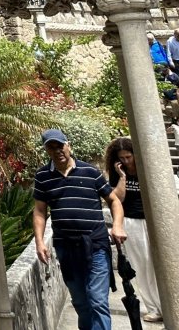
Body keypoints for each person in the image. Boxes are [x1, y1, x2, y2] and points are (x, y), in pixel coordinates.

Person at [33, 128, 126, 330]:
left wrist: (117, 226)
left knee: (97, 301)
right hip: (66, 247)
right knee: (81, 303)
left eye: (61, 145)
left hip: (95, 244)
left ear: (69, 145)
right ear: (47, 151)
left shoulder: (90, 172)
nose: (58, 150)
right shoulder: (42, 176)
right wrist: (39, 242)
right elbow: (40, 211)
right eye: (52, 147)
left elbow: (114, 201)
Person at [104, 137, 163, 323]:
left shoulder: (148, 169)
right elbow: (117, 199)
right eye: (122, 158)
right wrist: (122, 177)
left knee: (158, 264)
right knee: (141, 267)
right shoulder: (118, 173)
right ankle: (154, 308)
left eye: (129, 156)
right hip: (131, 222)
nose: (126, 161)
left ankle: (168, 304)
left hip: (153, 222)